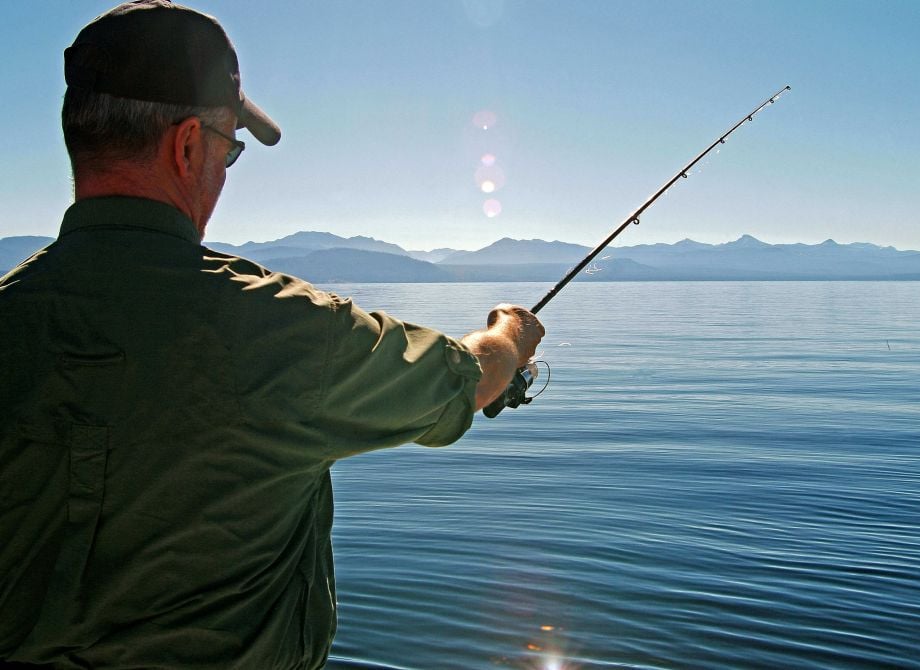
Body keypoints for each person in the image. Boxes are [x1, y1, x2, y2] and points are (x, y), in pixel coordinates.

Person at [0, 1, 544, 668]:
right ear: (189, 145)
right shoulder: (287, 332)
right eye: (230, 149)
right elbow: (466, 377)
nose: (224, 172)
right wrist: (512, 331)